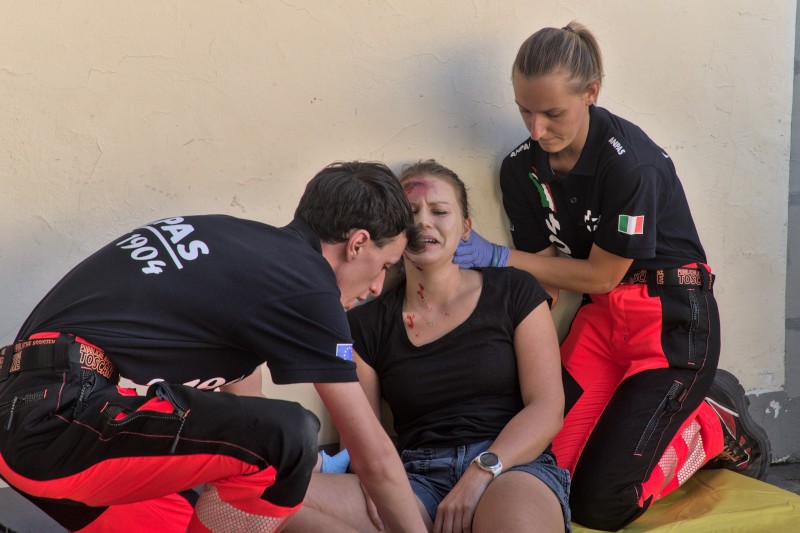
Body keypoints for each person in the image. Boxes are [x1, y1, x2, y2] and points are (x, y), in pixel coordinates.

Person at [454, 22, 771, 531]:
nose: (536, 129)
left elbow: (601, 275)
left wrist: (497, 257)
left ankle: (718, 419)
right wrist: (479, 329)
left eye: (553, 113)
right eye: (524, 110)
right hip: (601, 320)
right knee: (543, 471)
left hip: (670, 324)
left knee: (605, 503)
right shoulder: (520, 169)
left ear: (591, 93)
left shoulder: (631, 164)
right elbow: (548, 280)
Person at [0, 161, 429, 533]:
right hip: (55, 421)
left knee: (197, 513)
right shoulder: (307, 285)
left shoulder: (242, 252)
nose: (376, 287)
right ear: (356, 243)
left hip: (27, 415)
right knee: (291, 436)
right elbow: (372, 456)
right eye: (385, 266)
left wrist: (300, 474)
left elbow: (245, 412)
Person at [285, 160, 571, 533]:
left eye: (439, 211)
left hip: (510, 467)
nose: (423, 222)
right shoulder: (364, 326)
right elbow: (364, 434)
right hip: (414, 479)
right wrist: (378, 486)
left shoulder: (514, 290)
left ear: (466, 227)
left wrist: (481, 472)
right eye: (411, 214)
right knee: (277, 503)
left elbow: (547, 408)